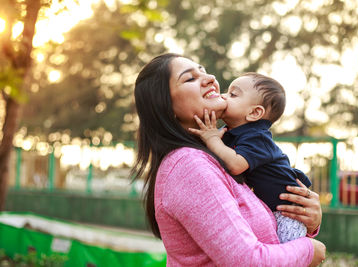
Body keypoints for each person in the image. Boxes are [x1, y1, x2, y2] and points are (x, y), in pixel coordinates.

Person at [132, 53, 325, 266]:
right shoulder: (189, 166)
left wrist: (306, 220)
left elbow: (262, 239)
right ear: (165, 107)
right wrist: (308, 250)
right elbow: (247, 261)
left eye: (203, 70)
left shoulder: (217, 155)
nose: (210, 78)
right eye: (190, 78)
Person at [189, 72, 312, 243]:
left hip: (287, 214)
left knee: (285, 255)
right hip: (270, 210)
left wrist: (212, 139)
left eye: (233, 94)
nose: (223, 96)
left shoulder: (257, 137)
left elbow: (236, 165)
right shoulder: (230, 132)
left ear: (254, 113)